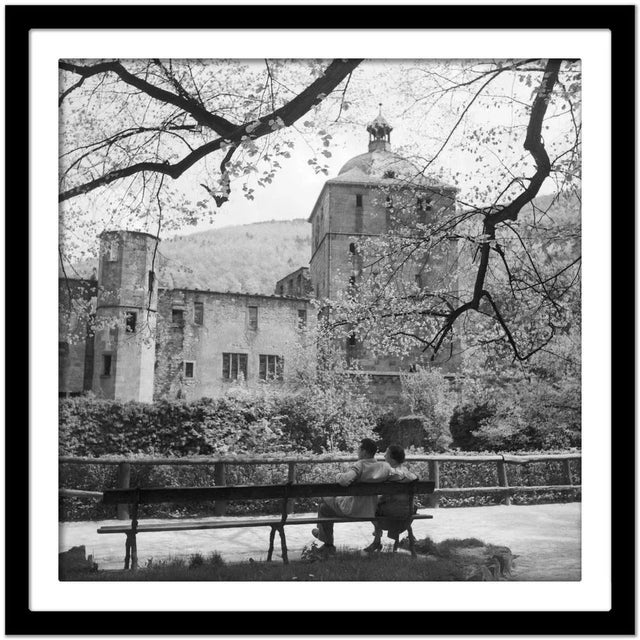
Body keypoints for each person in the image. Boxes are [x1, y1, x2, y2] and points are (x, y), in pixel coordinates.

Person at [311, 438, 407, 555]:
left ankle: (327, 543)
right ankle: (323, 536)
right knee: (325, 506)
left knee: (323, 503)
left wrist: (338, 475)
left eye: (359, 449)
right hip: (371, 510)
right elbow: (398, 475)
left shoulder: (360, 465)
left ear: (365, 452)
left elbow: (344, 480)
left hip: (352, 509)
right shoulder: (384, 467)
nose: (357, 451)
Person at [363, 444, 418, 553]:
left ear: (392, 458)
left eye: (386, 453)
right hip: (408, 511)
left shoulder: (389, 475)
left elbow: (382, 498)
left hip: (390, 513)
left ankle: (377, 540)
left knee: (370, 506)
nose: (384, 456)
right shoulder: (408, 474)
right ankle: (377, 540)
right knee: (380, 505)